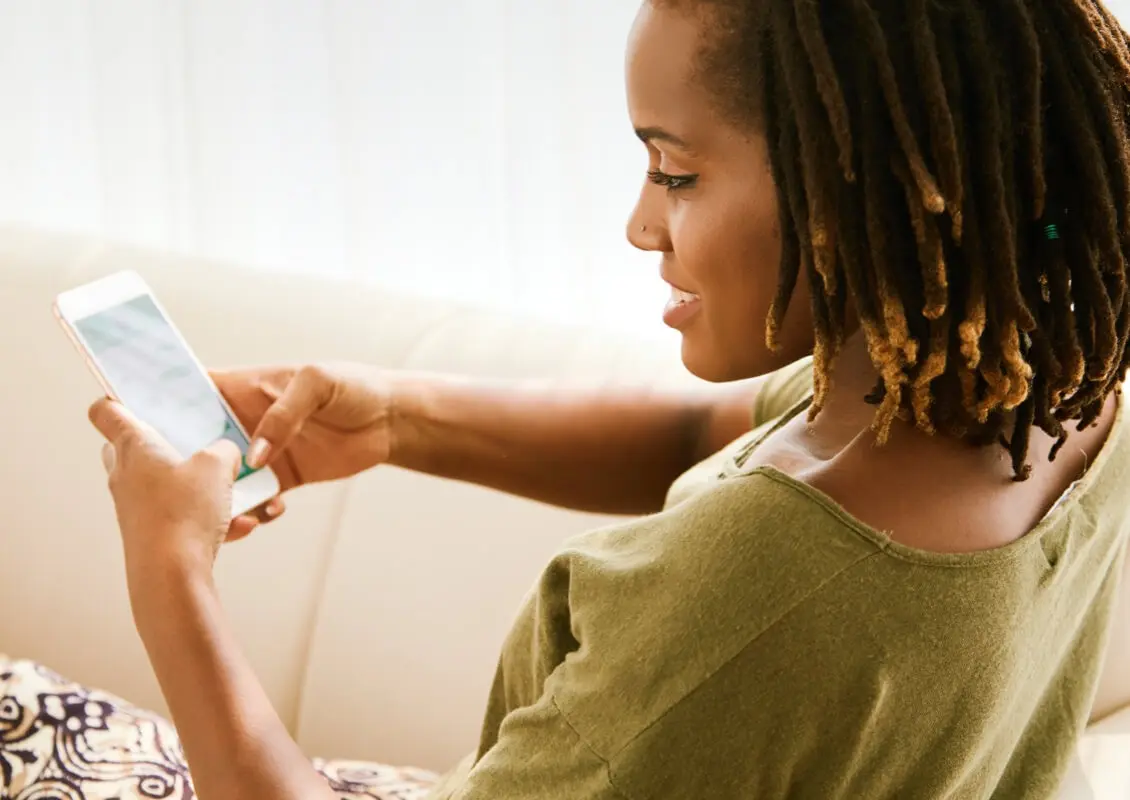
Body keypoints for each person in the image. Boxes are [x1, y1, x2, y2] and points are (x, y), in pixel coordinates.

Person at [4, 0, 1130, 797]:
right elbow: (704, 434)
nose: (641, 223)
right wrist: (397, 416)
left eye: (674, 171)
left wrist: (167, 569)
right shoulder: (1039, 391)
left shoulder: (748, 593)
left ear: (857, 188)